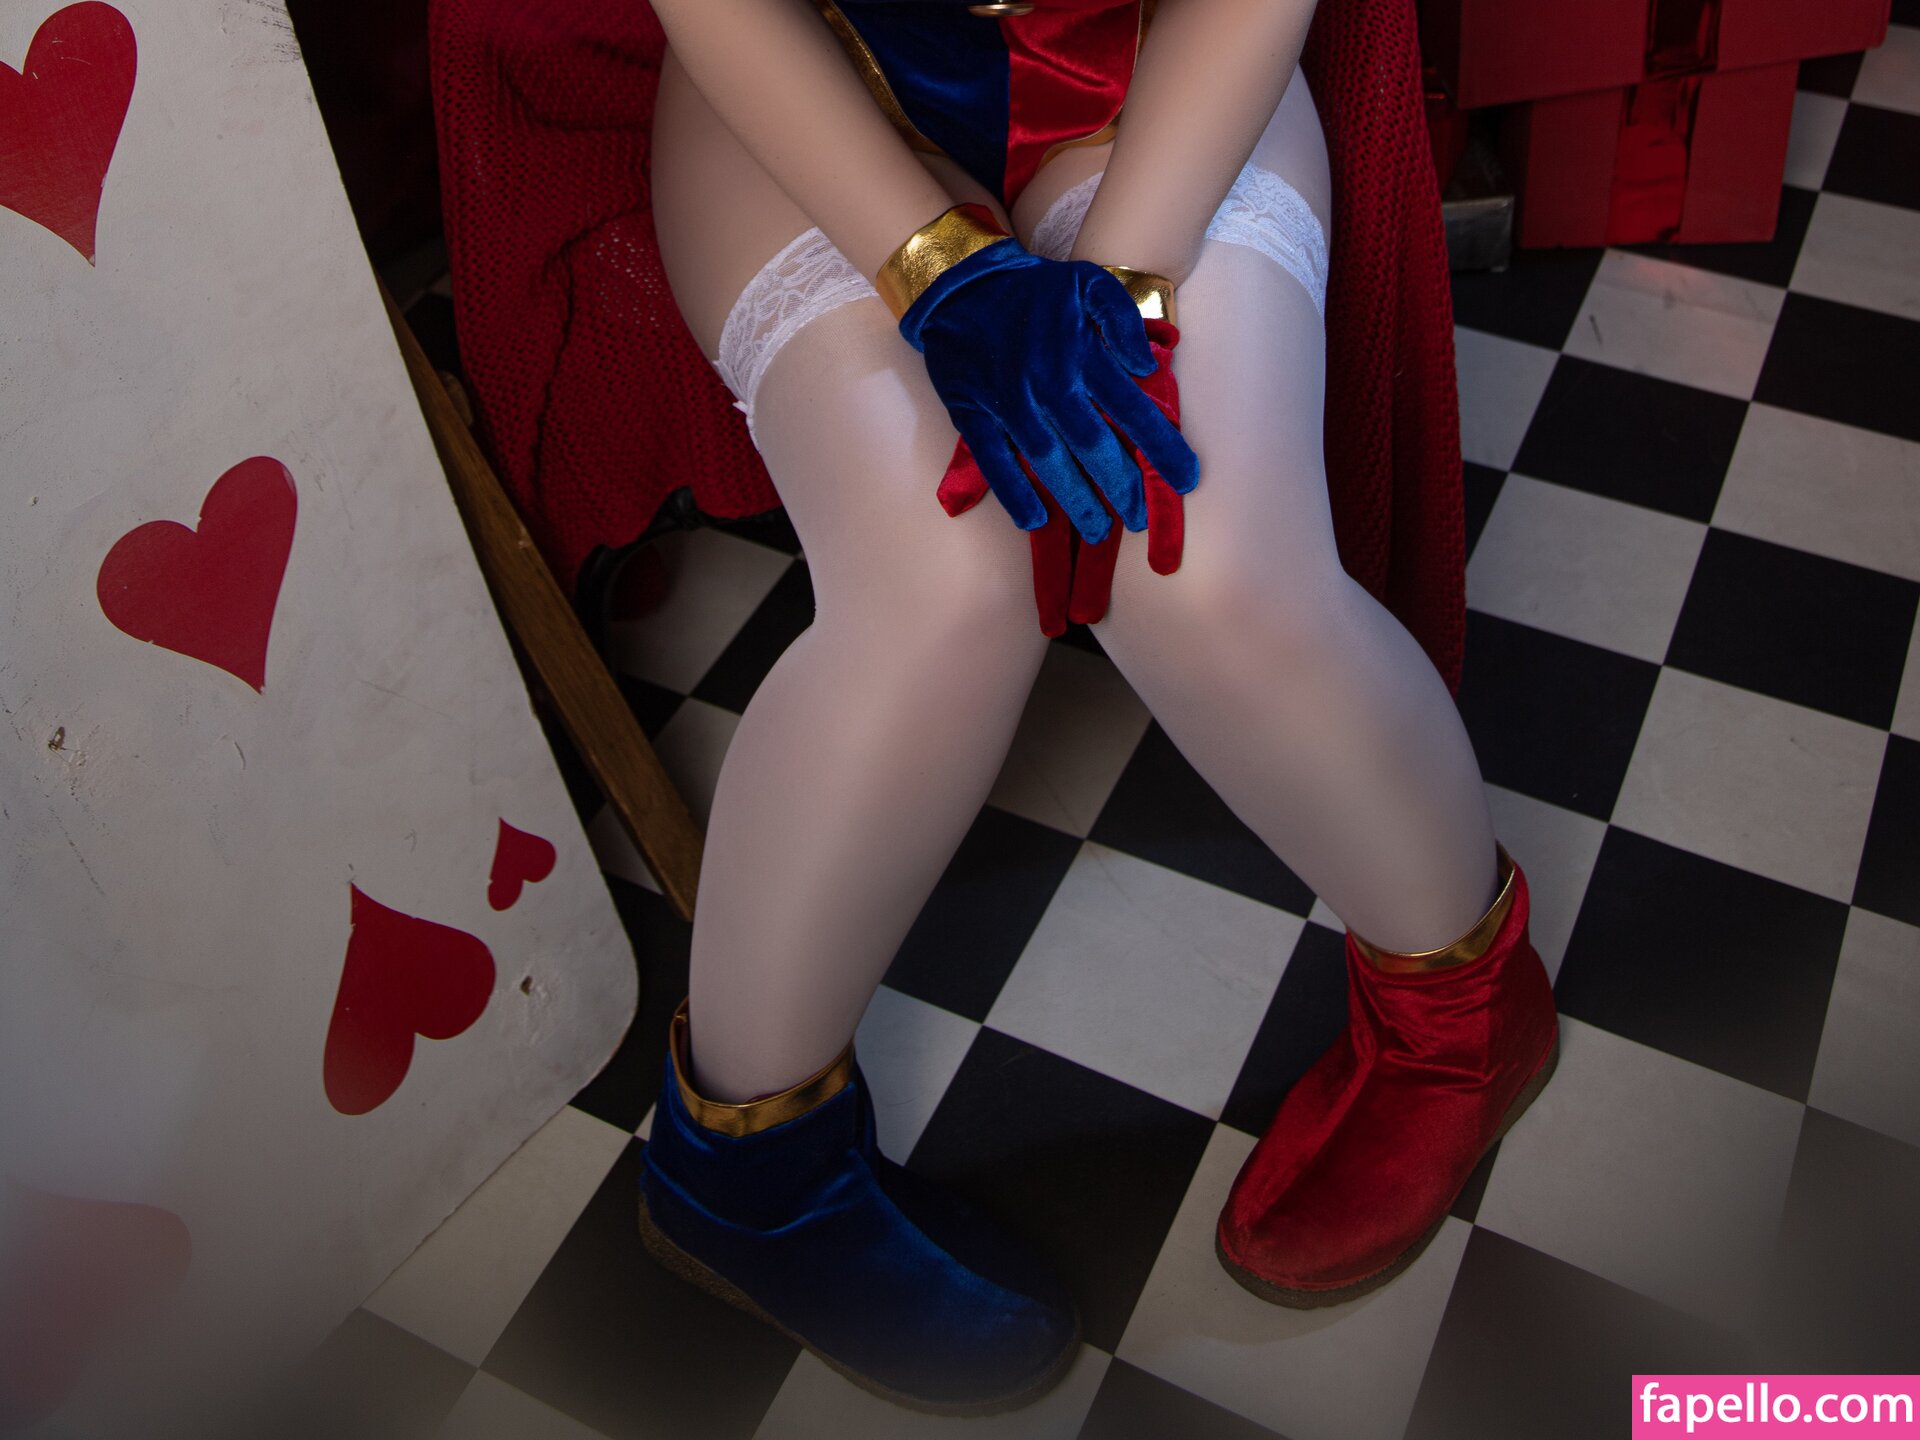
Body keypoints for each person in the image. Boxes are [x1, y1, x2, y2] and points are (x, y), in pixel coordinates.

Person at [620, 0, 1561, 1413]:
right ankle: (745, 1169)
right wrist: (943, 275)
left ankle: (1464, 1016)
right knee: (939, 589)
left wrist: (1109, 300)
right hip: (806, 68)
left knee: (1194, 558)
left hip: (1153, 61)